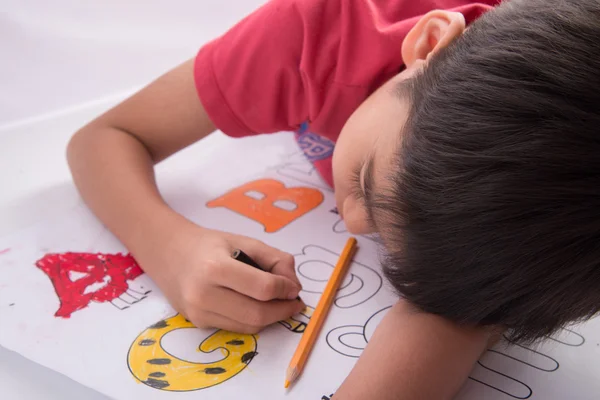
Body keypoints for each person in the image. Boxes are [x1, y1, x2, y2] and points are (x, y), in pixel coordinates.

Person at [66, 0, 600, 398]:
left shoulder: (546, 223)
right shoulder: (316, 29)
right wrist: (169, 248)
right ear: (426, 45)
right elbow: (104, 139)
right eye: (366, 178)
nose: (350, 222)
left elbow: (459, 313)